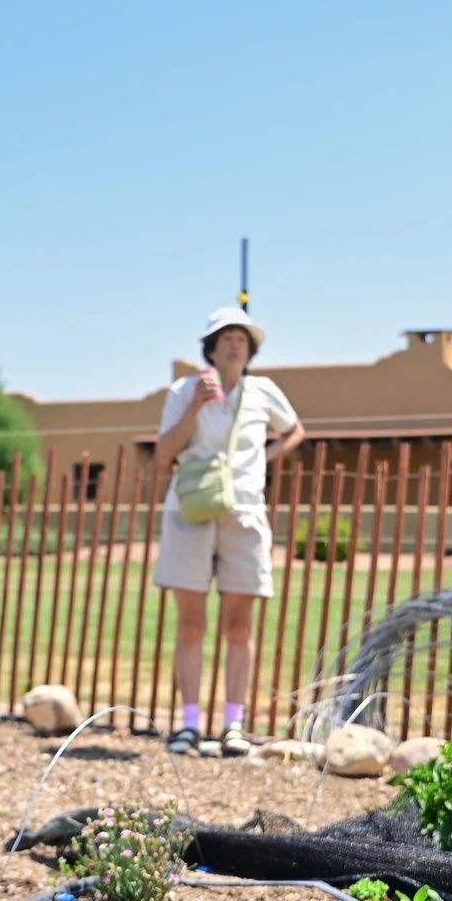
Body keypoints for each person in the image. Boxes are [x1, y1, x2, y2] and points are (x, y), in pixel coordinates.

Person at [150, 307, 303, 757]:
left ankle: (233, 725)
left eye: (242, 337)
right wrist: (197, 402)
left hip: (245, 513)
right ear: (210, 348)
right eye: (225, 337)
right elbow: (163, 453)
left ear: (251, 349)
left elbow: (294, 429)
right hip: (191, 511)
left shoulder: (264, 391)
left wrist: (264, 459)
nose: (234, 343)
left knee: (239, 626)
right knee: (192, 624)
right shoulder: (184, 390)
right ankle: (189, 724)